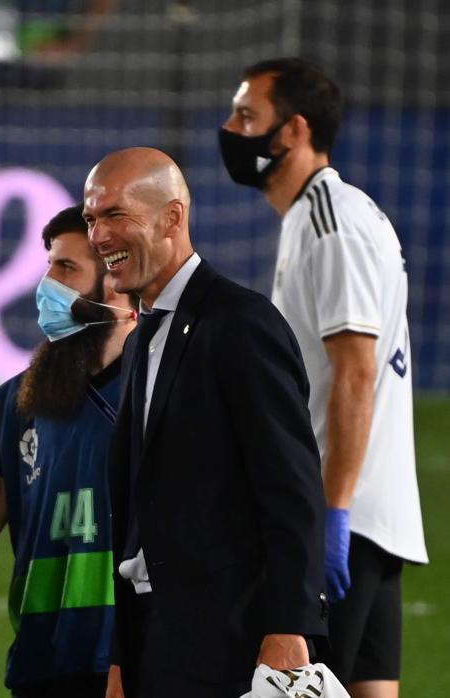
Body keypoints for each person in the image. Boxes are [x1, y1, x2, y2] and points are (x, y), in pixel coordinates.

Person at [83, 147, 326, 697]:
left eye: (115, 214)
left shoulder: (240, 324)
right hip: (158, 644)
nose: (98, 236)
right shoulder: (145, 334)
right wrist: (125, 657)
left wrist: (291, 627)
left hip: (232, 645)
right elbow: (141, 517)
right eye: (91, 219)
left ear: (172, 216)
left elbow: (291, 488)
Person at [220, 57, 426, 697]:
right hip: (365, 517)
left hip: (342, 518)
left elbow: (356, 373)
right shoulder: (314, 219)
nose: (231, 129)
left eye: (248, 115)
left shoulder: (330, 226)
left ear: (294, 131)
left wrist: (329, 515)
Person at [0, 204, 135, 697]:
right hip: (41, 661)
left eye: (67, 268)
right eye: (49, 265)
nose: (47, 285)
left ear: (115, 284)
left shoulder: (161, 389)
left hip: (130, 659)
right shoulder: (20, 399)